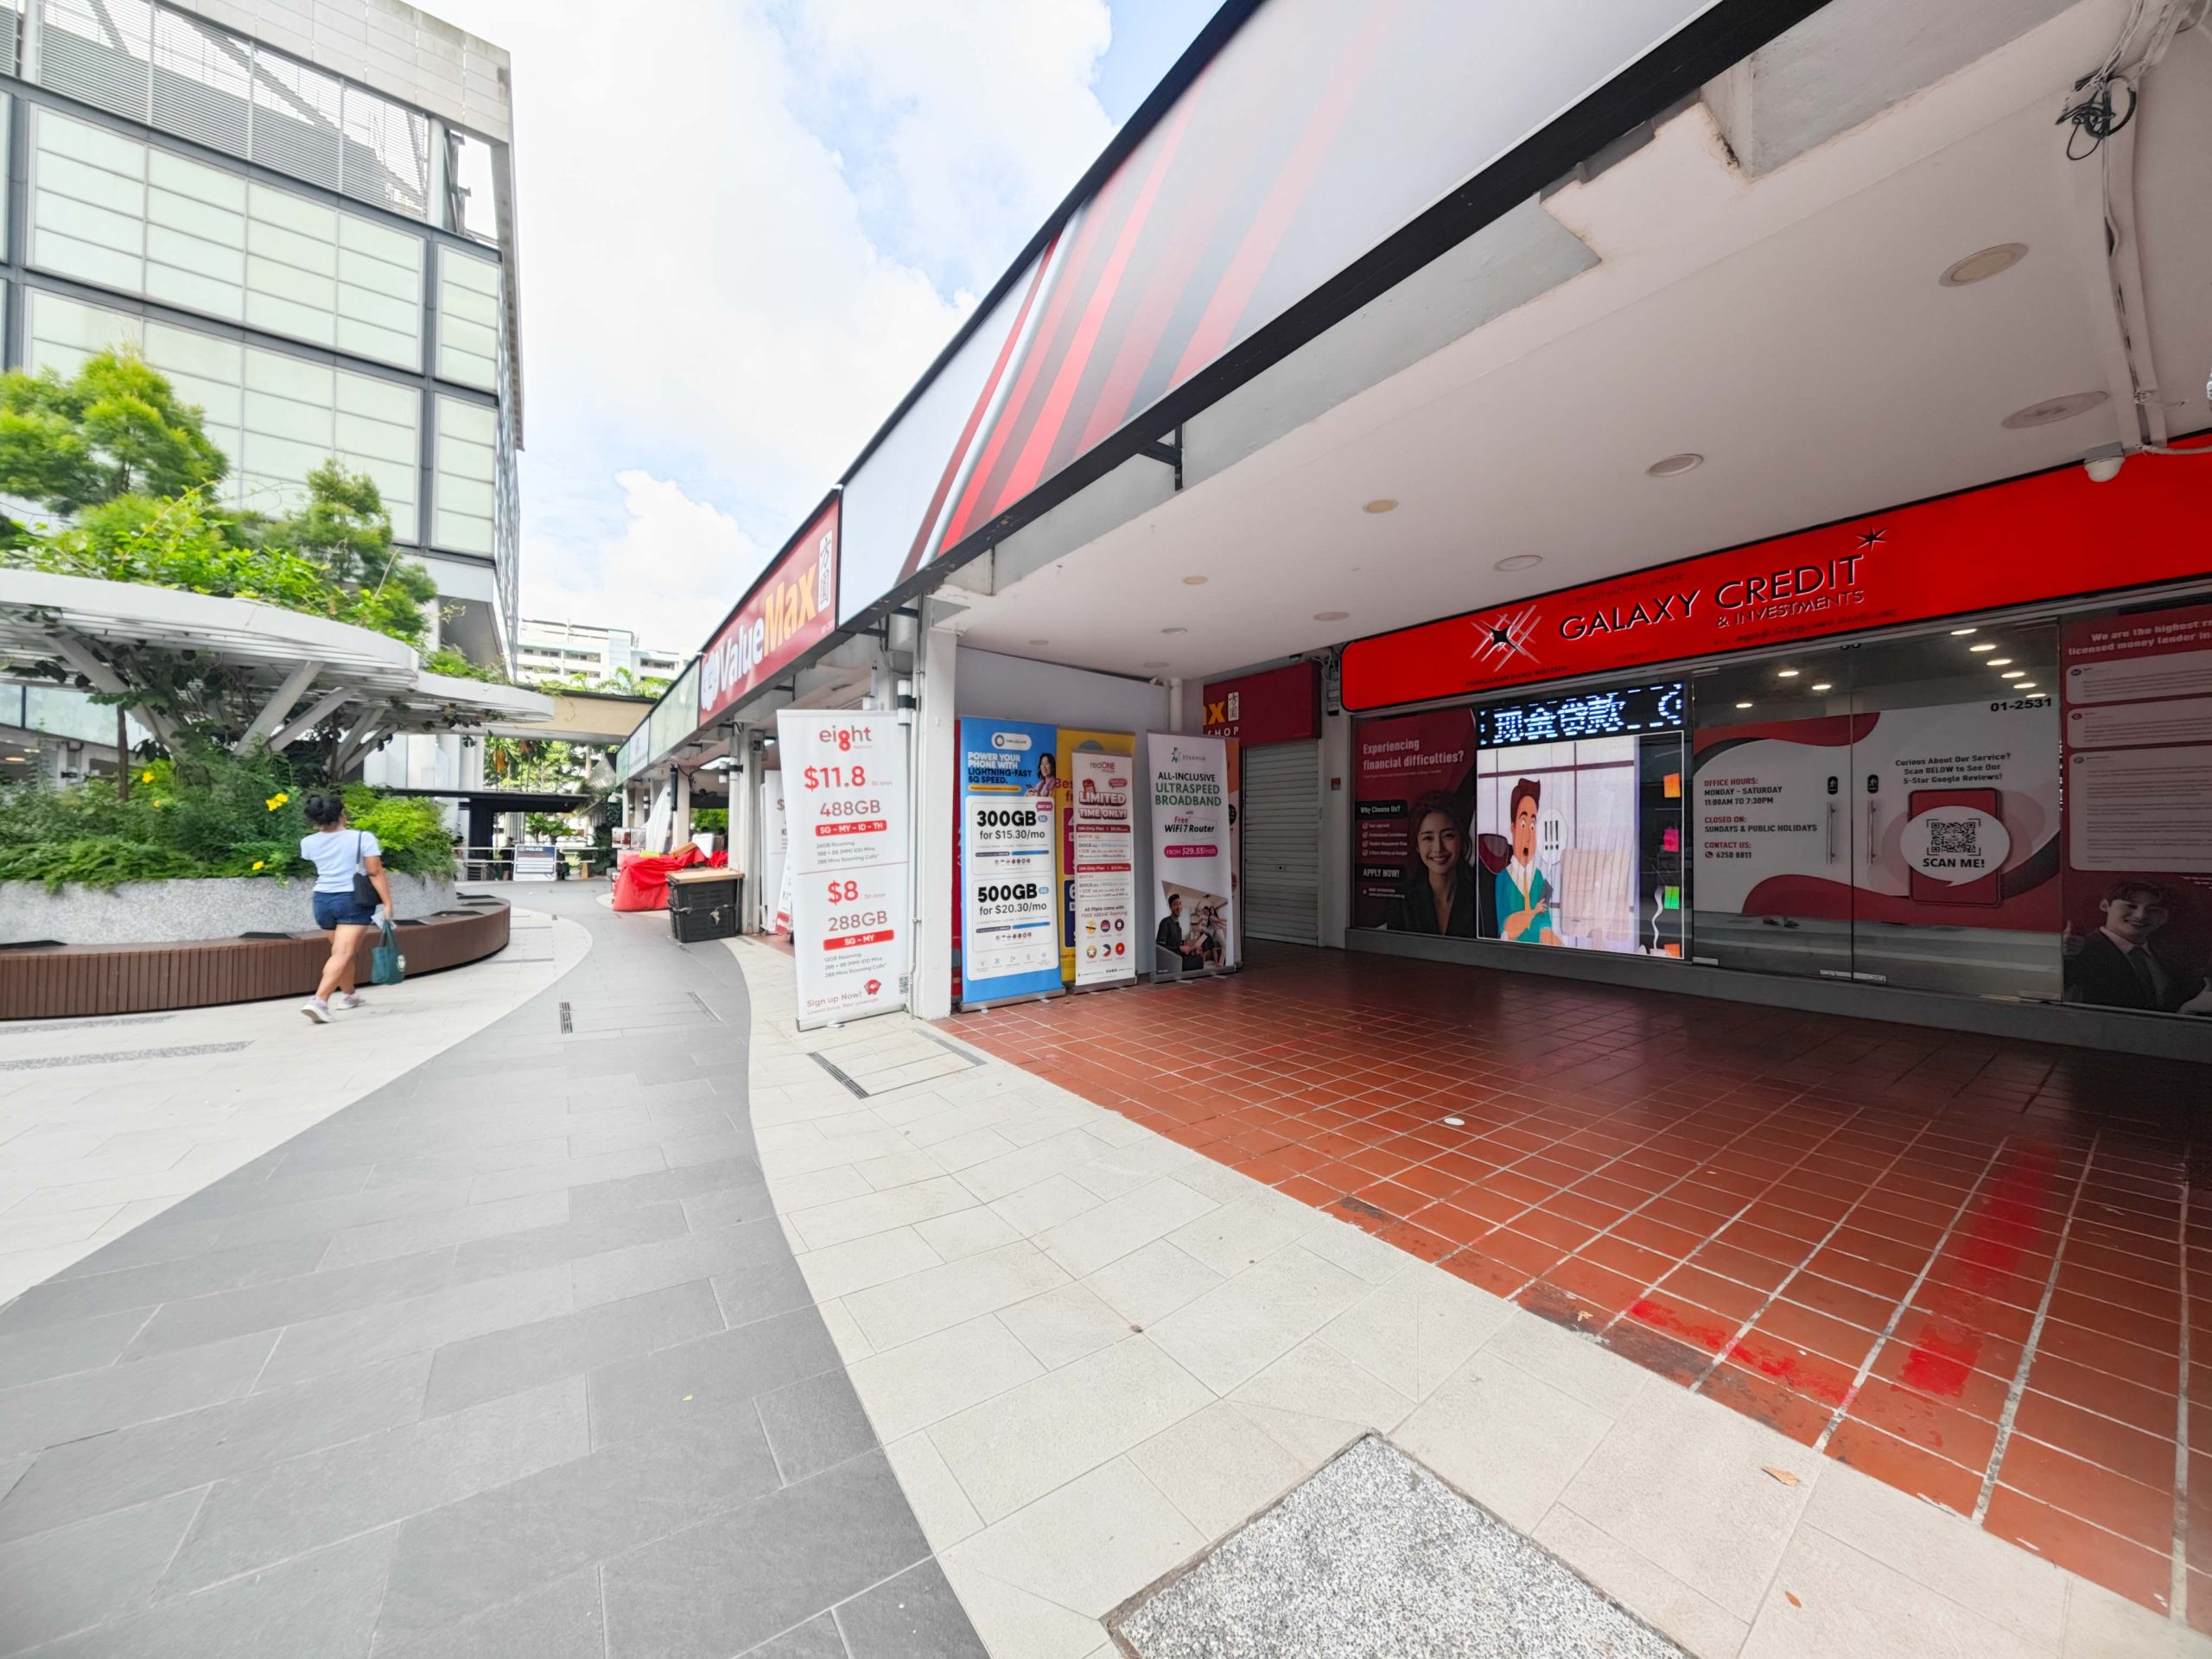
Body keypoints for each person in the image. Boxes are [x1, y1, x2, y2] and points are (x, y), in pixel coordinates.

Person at [297, 791, 393, 1024]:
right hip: (352, 900)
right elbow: (374, 872)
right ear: (342, 813)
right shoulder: (362, 838)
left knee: (341, 952)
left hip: (322, 900)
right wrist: (388, 903)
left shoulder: (307, 843)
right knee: (343, 952)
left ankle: (349, 995)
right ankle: (319, 1001)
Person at [2063, 880, 2212, 1014]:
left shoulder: (2172, 956)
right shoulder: (2077, 951)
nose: (2141, 915)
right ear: (2105, 906)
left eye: (2153, 909)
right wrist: (2061, 955)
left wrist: (2186, 1011)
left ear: (2165, 917)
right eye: (2130, 906)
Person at [1384, 791, 1476, 936]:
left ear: (1462, 840)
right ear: (1417, 846)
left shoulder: (1480, 897)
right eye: (1428, 838)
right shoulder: (1402, 902)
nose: (1438, 848)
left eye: (1448, 836)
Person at [1495, 777, 1559, 944]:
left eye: (1533, 826)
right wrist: (1533, 911)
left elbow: (1545, 926)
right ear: (1513, 827)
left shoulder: (1540, 878)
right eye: (1523, 824)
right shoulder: (1502, 878)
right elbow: (1507, 927)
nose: (1529, 836)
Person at [1154, 891, 1206, 976]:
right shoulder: (1165, 922)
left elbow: (1179, 946)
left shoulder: (1178, 927)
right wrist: (1179, 948)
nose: (1179, 907)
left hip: (1179, 957)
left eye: (1180, 904)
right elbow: (1160, 947)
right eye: (1175, 904)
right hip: (1172, 961)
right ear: (1171, 907)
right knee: (1199, 961)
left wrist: (1191, 949)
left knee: (1199, 957)